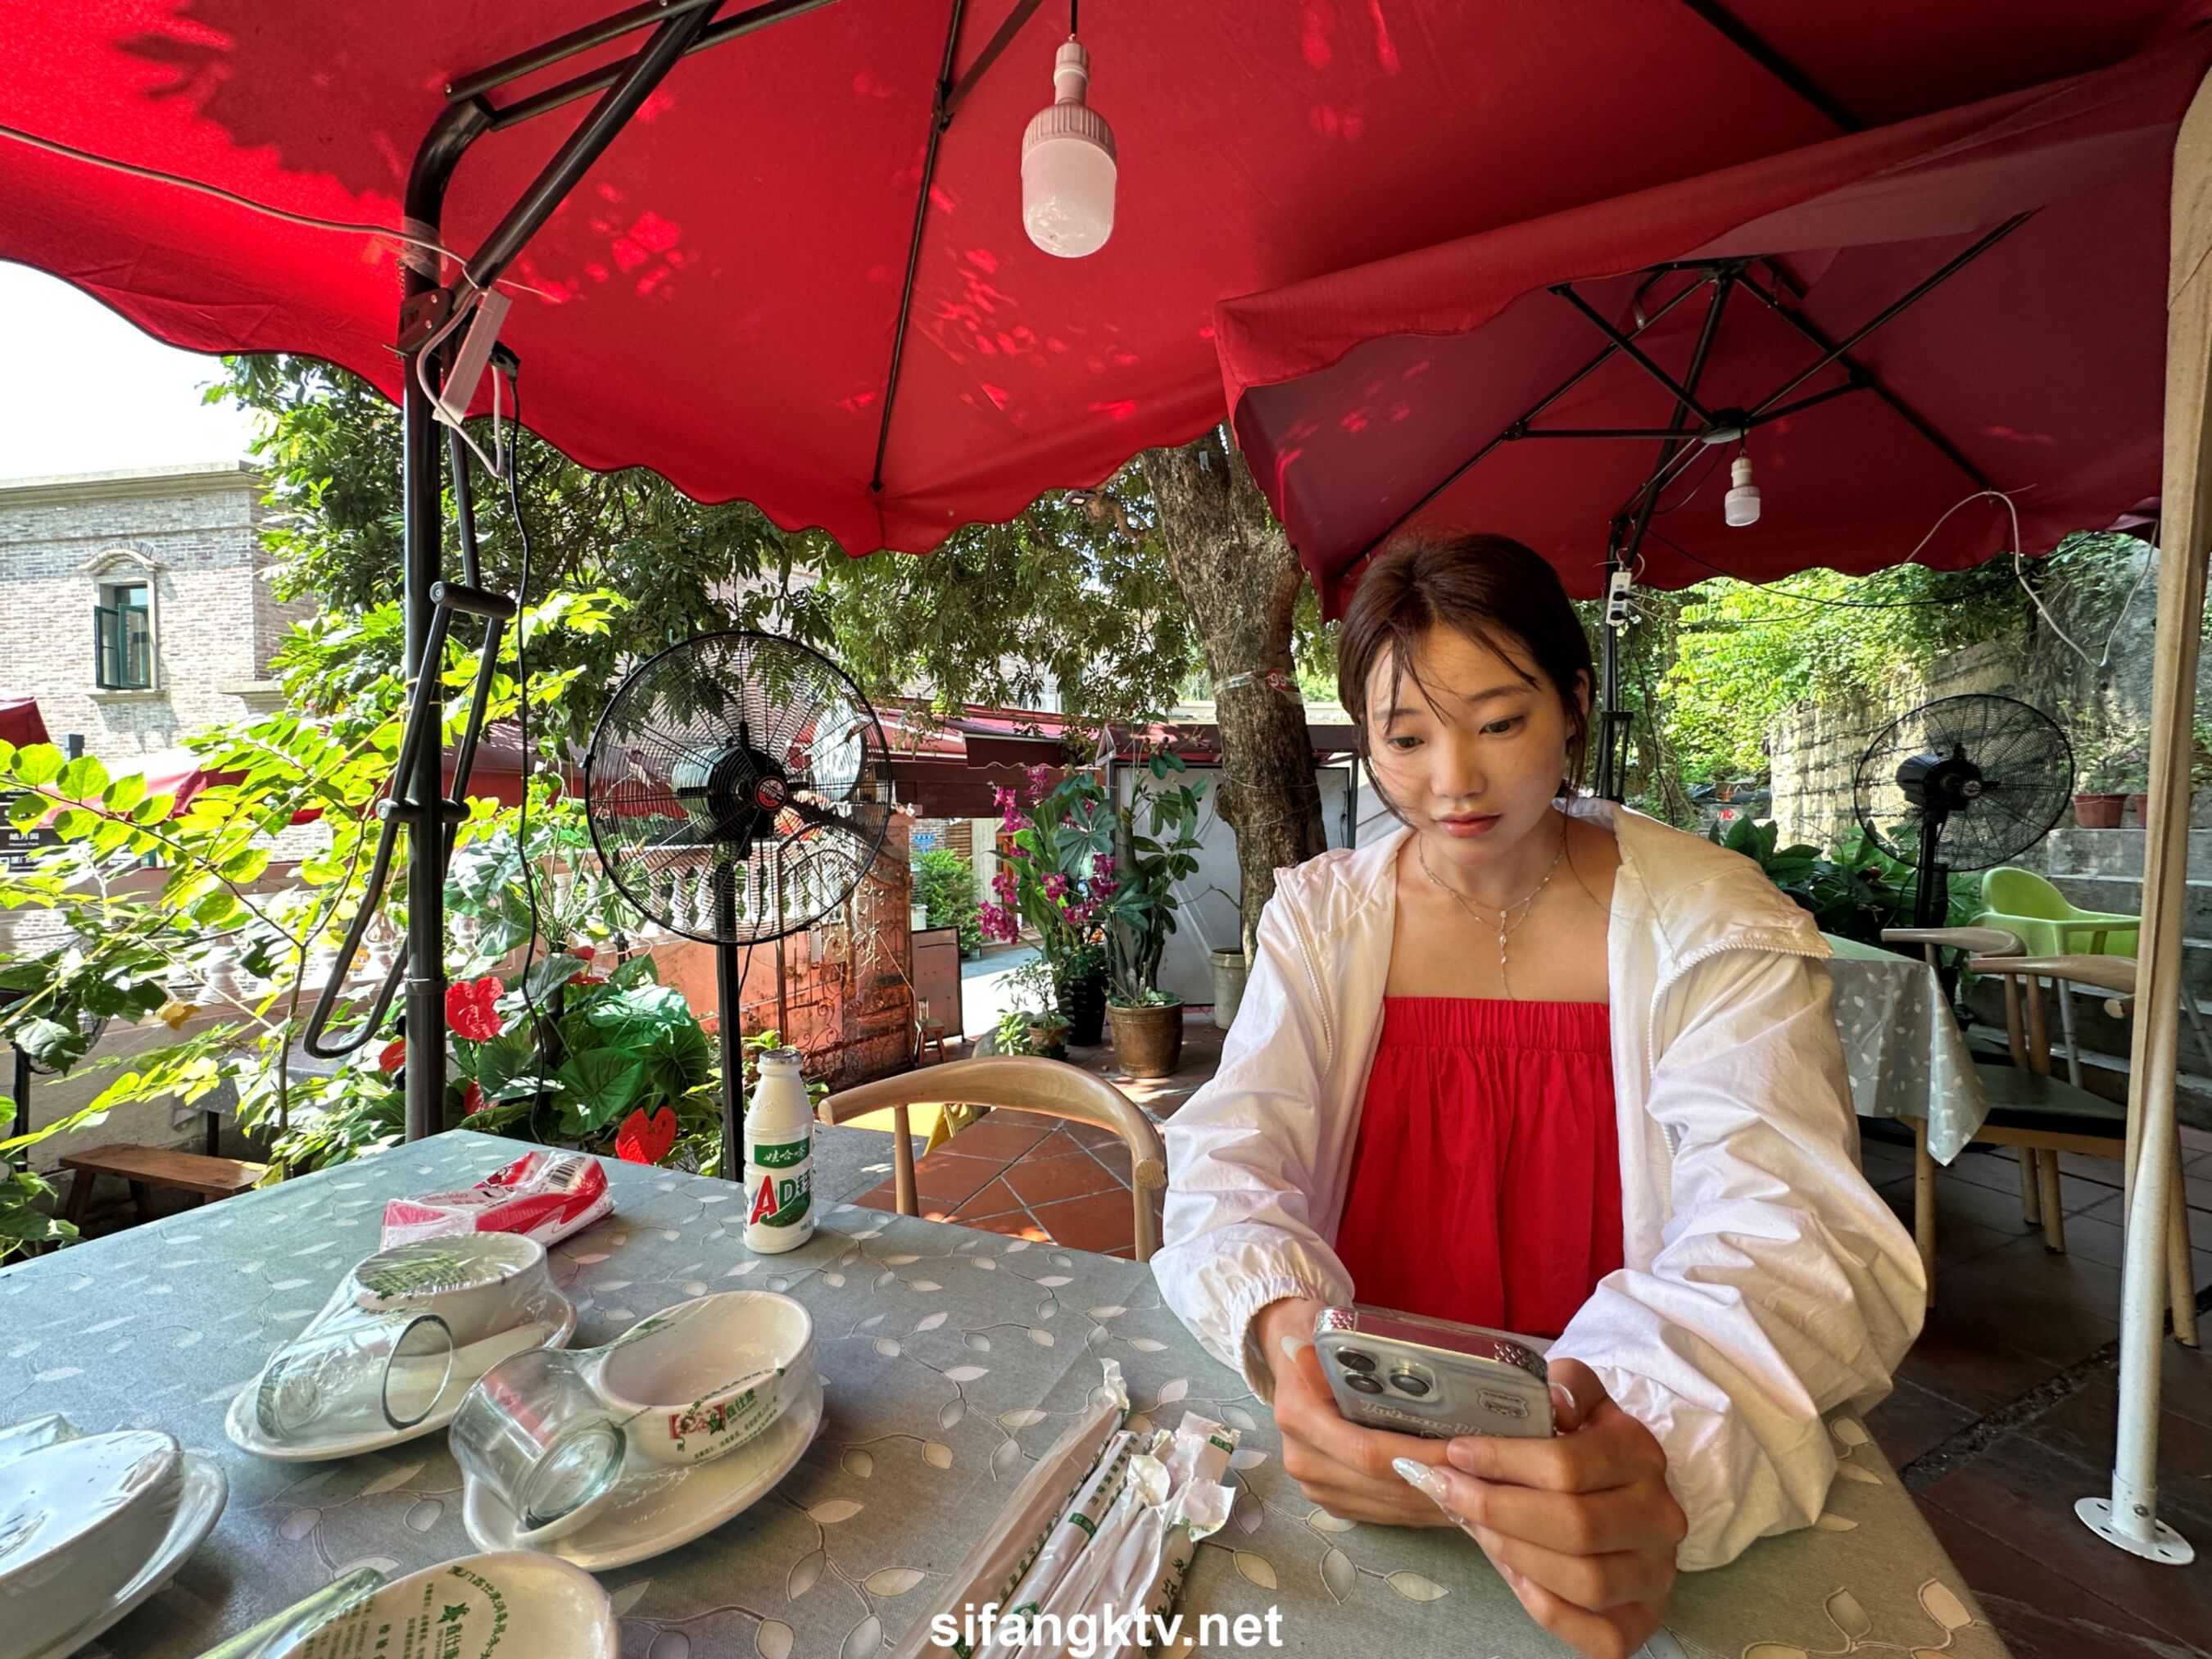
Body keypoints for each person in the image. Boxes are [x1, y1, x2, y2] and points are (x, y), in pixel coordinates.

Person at [1152, 534, 1924, 1659]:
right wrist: (1285, 1330)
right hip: (1370, 1451)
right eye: (1405, 738)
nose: (1453, 780)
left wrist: (1644, 1429)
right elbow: (1232, 1154)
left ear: (1574, 704)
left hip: (1611, 1465)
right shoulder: (1322, 918)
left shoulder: (1714, 924)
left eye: (1500, 723)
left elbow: (1786, 1224)